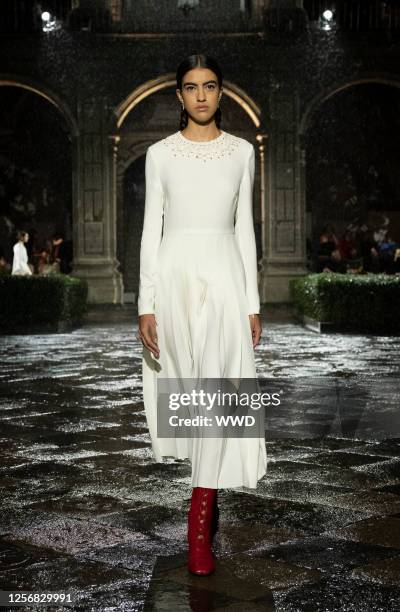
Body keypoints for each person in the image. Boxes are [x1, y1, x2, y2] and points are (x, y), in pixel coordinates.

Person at [137, 54, 267, 576]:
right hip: (173, 277)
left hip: (226, 280)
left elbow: (245, 229)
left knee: (218, 395)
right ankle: (207, 491)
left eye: (210, 86)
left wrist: (253, 301)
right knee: (190, 399)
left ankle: (197, 529)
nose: (201, 96)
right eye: (191, 88)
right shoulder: (159, 154)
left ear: (222, 93)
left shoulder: (241, 152)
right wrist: (146, 302)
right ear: (179, 96)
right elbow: (151, 228)